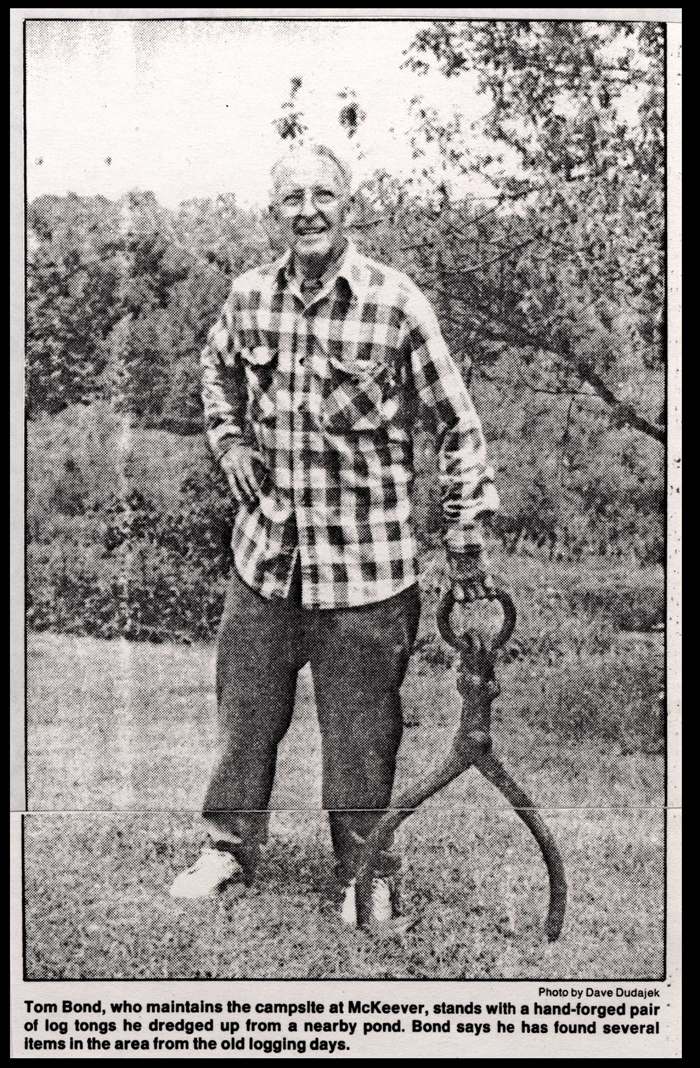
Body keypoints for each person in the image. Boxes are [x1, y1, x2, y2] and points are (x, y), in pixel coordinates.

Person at [170, 143, 499, 925]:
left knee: (360, 739)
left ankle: (364, 873)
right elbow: (214, 372)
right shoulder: (248, 297)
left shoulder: (394, 302)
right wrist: (230, 444)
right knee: (245, 723)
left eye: (323, 195)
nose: (308, 210)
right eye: (292, 198)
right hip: (265, 563)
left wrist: (463, 534)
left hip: (368, 573)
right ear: (273, 211)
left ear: (348, 205)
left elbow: (458, 425)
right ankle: (225, 849)